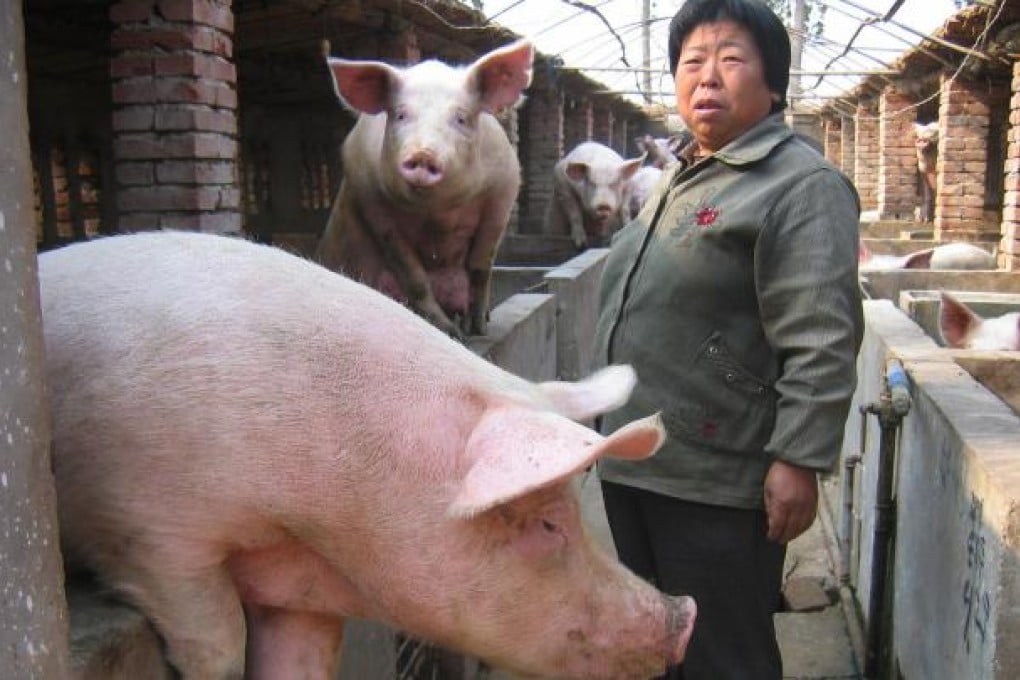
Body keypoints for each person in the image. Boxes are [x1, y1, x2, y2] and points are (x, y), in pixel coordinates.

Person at [593, 1, 864, 678]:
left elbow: (822, 336)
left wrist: (799, 458)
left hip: (717, 476)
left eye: (731, 59)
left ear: (774, 85)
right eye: (692, 62)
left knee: (721, 656)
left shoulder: (800, 186)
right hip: (638, 460)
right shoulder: (685, 174)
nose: (706, 76)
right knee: (653, 646)